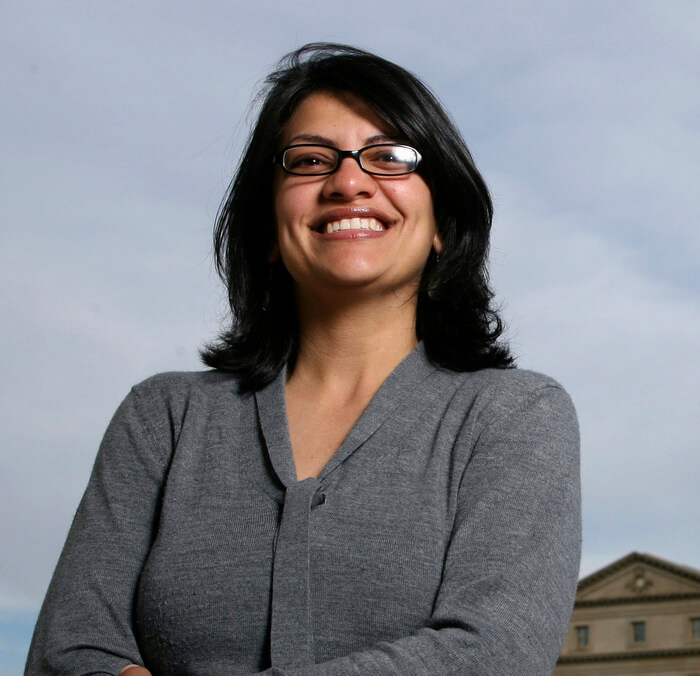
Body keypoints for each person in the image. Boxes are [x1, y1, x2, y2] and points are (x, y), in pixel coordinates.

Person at [26, 43, 581, 675]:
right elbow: (67, 651)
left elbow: (493, 655)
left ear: (441, 226)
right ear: (266, 227)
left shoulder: (513, 417)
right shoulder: (164, 417)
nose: (348, 183)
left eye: (390, 157)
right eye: (311, 160)